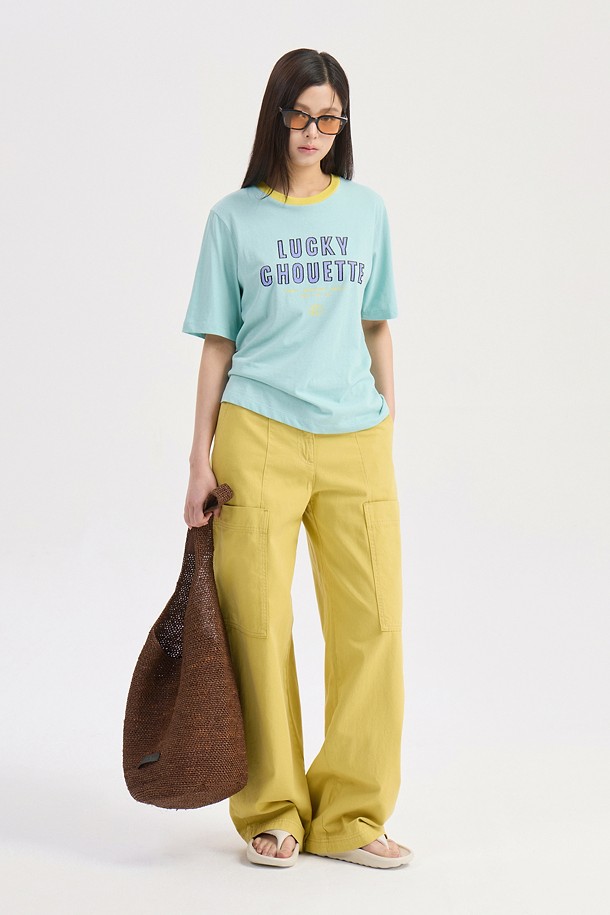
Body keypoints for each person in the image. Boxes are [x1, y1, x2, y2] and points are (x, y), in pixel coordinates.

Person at [182, 48, 413, 870]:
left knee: (374, 622)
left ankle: (352, 813)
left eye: (330, 117)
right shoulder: (233, 218)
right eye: (301, 114)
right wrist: (198, 459)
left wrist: (387, 422)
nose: (315, 131)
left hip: (357, 437)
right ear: (276, 115)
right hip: (258, 434)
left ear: (342, 125)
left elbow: (377, 323)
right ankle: (273, 808)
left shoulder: (368, 210)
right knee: (257, 621)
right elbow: (218, 344)